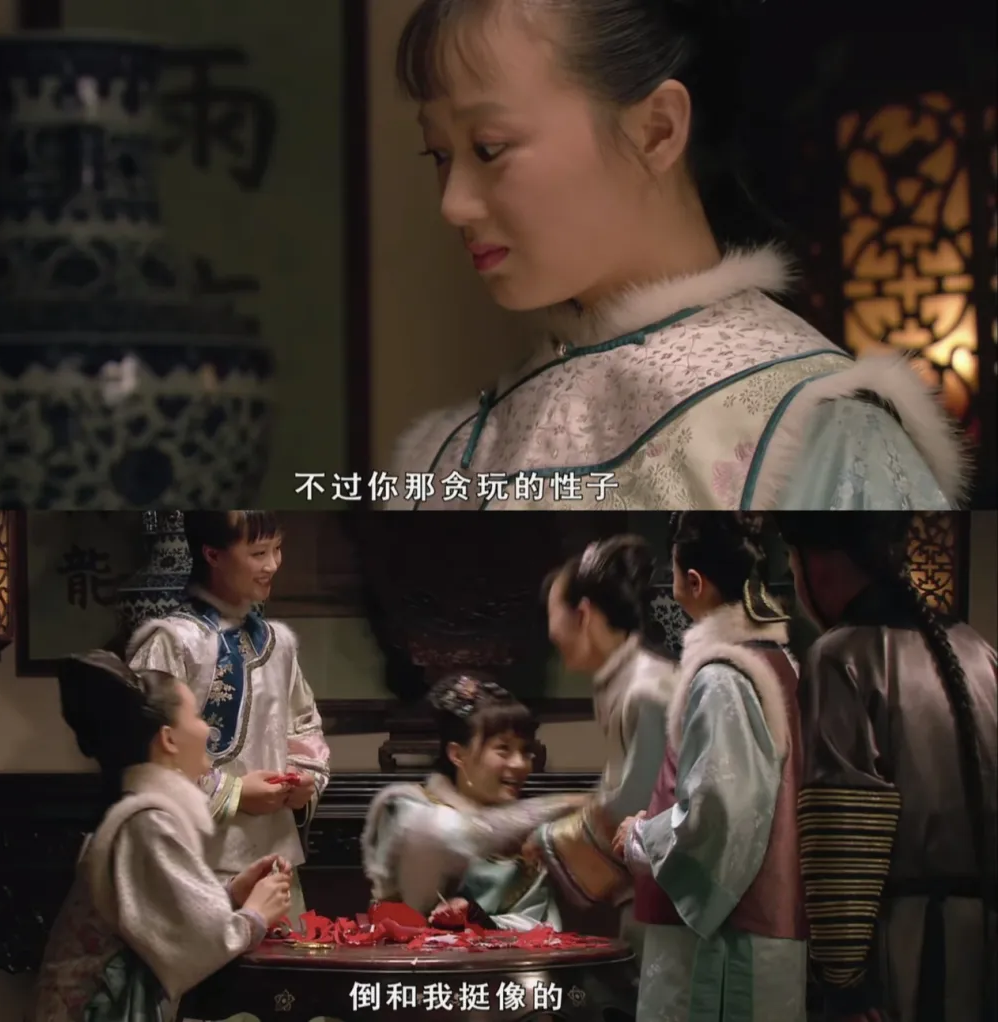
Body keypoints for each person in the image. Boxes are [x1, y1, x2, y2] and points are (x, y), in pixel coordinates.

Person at [385, 0, 967, 510]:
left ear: (657, 130)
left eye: (489, 148)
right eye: (438, 153)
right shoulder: (451, 450)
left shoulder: (813, 425)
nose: (453, 205)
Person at [777, 513, 997, 1022]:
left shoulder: (840, 656)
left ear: (817, 566)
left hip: (904, 954)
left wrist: (844, 982)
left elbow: (841, 832)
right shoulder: (980, 650)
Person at [612, 512, 807, 1022]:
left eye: (674, 571)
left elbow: (717, 813)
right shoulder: (776, 661)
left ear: (694, 581)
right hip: (767, 920)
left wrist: (641, 837)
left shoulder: (722, 677)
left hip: (724, 942)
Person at [33, 651, 293, 1022]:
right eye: (197, 716)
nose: (207, 730)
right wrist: (256, 914)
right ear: (169, 739)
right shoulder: (147, 822)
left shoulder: (140, 813)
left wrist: (232, 894)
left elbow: (159, 914)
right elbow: (205, 942)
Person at [126, 511, 330, 926]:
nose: (272, 565)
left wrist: (302, 782)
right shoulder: (171, 641)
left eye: (277, 550)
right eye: (258, 553)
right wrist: (232, 792)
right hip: (194, 863)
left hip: (276, 860)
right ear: (213, 554)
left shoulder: (277, 644)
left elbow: (304, 726)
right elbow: (141, 752)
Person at [531, 535, 676, 958]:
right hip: (645, 883)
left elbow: (638, 801)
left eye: (552, 614)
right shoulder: (622, 680)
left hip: (670, 893)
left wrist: (547, 839)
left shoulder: (647, 688)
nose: (550, 632)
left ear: (583, 614)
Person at [362, 675, 588, 930]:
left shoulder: (528, 838)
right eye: (503, 749)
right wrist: (558, 806)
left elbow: (539, 923)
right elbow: (452, 834)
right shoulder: (410, 809)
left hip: (502, 954)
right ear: (457, 754)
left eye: (526, 751)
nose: (520, 764)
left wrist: (479, 919)